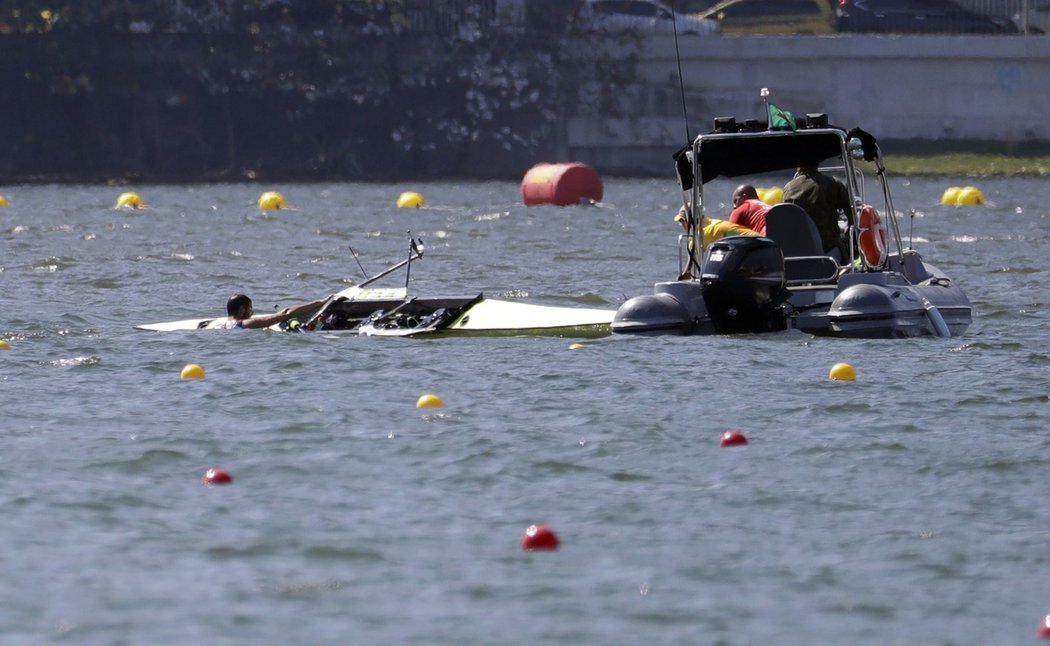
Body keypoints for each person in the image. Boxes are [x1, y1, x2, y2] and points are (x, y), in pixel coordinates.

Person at [782, 165, 855, 260]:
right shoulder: (832, 183)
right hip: (828, 249)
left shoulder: (788, 188)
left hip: (799, 251)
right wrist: (849, 239)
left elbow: (786, 218)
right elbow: (851, 213)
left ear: (798, 167)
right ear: (817, 164)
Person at [215, 293, 332, 329]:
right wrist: (320, 302)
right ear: (241, 310)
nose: (252, 312)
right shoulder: (246, 323)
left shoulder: (223, 326)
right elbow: (287, 314)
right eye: (250, 308)